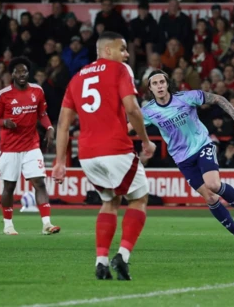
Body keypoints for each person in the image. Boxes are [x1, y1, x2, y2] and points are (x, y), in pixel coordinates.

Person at [53, 31, 157, 281]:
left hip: (87, 155)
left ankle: (100, 262)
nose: (126, 54)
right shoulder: (119, 70)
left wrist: (59, 162)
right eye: (122, 49)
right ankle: (123, 255)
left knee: (109, 202)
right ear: (107, 51)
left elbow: (63, 124)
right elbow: (132, 108)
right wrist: (145, 140)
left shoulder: (76, 78)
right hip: (115, 148)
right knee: (139, 199)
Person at [134, 70, 234, 250]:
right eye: (155, 83)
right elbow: (130, 124)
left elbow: (219, 99)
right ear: (150, 88)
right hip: (182, 158)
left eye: (162, 82)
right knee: (209, 197)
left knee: (213, 185)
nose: (160, 86)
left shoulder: (187, 97)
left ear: (167, 84)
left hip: (202, 146)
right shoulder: (149, 111)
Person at [0, 56, 59, 236]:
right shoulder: (3, 94)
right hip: (9, 148)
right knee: (9, 187)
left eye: (25, 71)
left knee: (39, 183)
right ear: (12, 74)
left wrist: (50, 127)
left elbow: (42, 113)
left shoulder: (37, 91)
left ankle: (46, 224)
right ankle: (8, 225)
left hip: (31, 146)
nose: (22, 74)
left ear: (28, 73)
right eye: (18, 71)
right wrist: (4, 122)